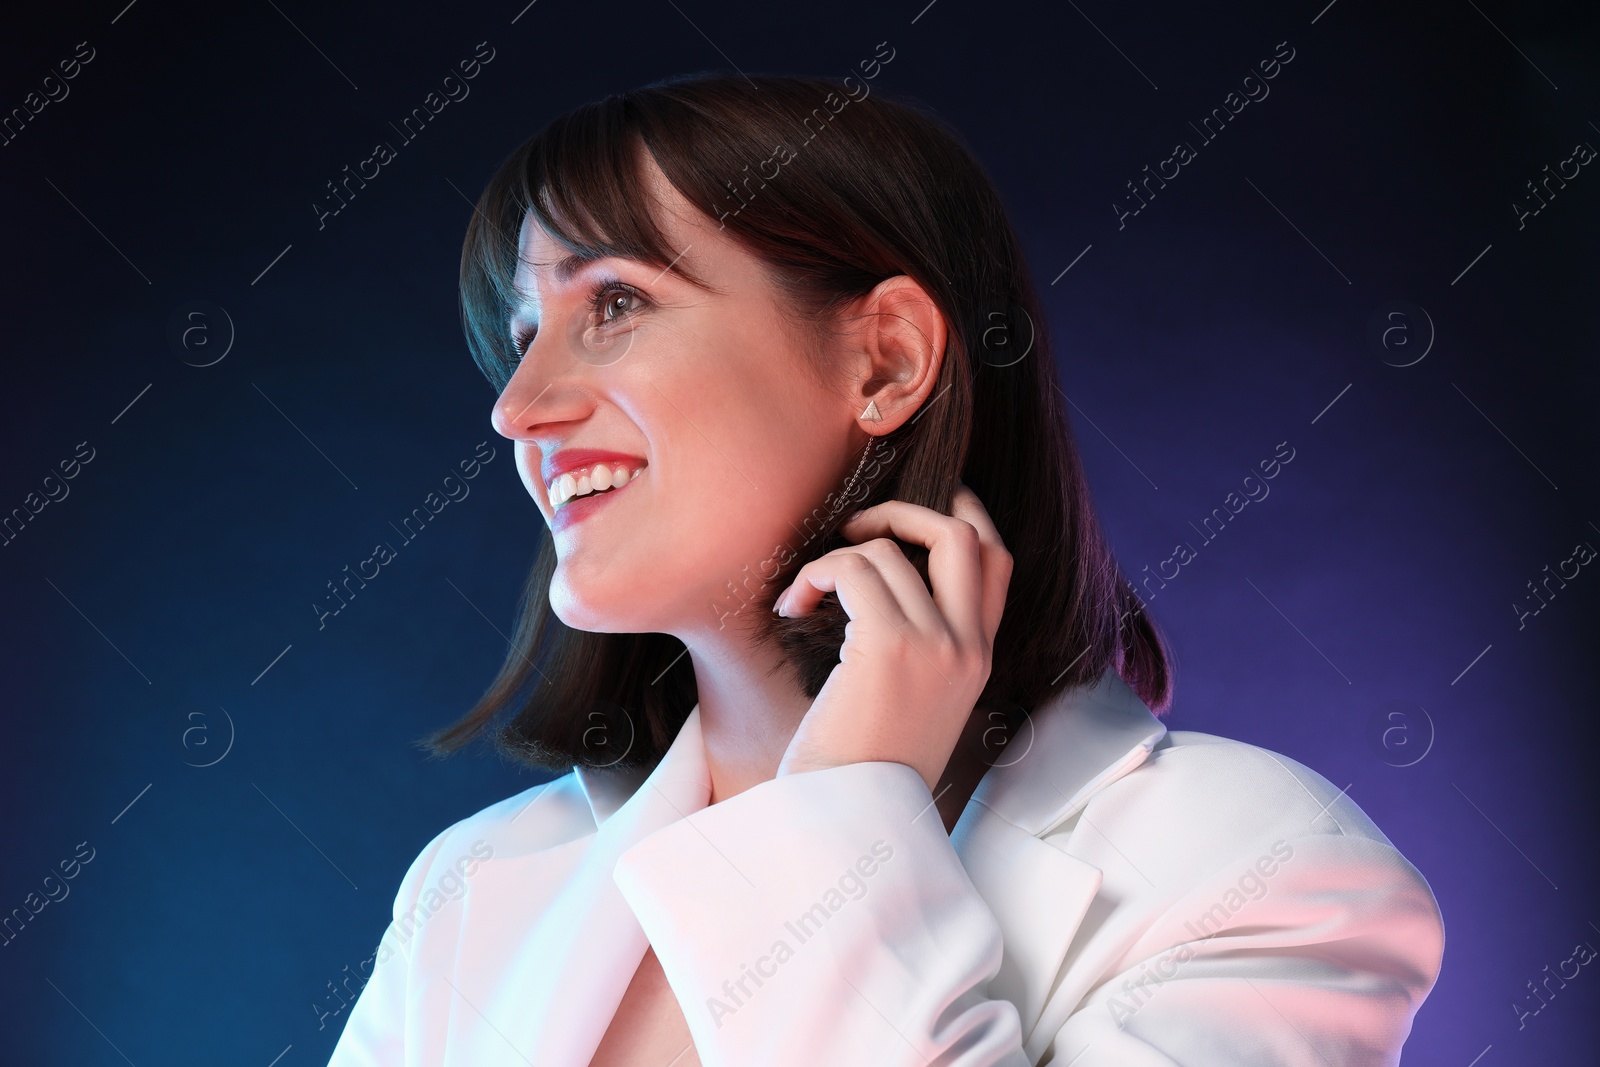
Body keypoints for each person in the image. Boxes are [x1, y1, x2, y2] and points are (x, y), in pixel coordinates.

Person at [326, 72, 1444, 1066]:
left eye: (614, 302)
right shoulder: (470, 885)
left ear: (886, 359)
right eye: (524, 332)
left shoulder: (1257, 871)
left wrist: (844, 814)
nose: (517, 408)